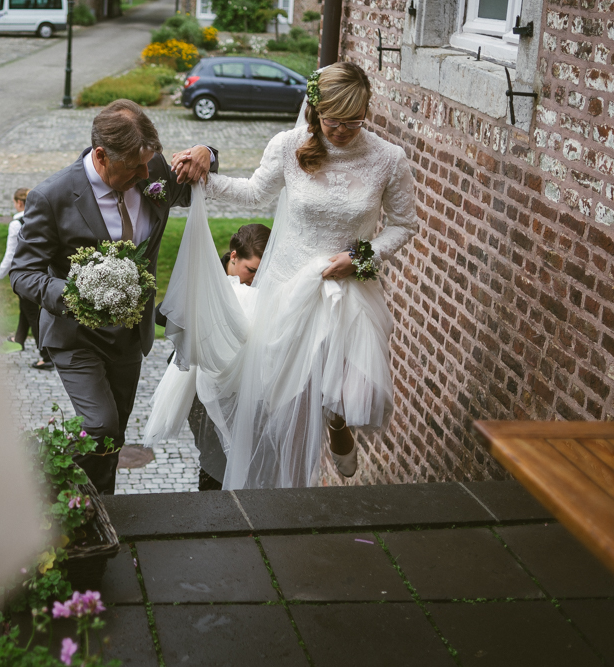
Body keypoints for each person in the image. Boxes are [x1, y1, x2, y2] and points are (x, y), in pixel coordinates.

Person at [148, 62, 418, 489]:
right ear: (316, 110)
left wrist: (362, 257)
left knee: (336, 390)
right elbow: (254, 192)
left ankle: (335, 424)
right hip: (286, 290)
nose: (343, 130)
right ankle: (288, 490)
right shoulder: (289, 145)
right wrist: (205, 168)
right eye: (333, 120)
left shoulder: (388, 159)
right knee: (287, 400)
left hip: (347, 289)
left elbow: (405, 225)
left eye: (353, 122)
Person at [10, 99, 218, 494]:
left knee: (113, 439)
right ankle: (31, 485)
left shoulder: (149, 169)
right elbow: (23, 273)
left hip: (129, 336)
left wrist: (207, 152)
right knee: (100, 427)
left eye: (148, 164)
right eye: (134, 167)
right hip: (76, 338)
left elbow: (198, 179)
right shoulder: (51, 197)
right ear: (101, 156)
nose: (145, 174)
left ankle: (99, 510)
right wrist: (75, 294)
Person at [189, 223, 272, 490]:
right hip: (203, 387)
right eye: (251, 271)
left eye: (262, 272)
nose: (255, 279)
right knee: (213, 459)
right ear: (233, 256)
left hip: (247, 390)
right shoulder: (206, 274)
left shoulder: (264, 289)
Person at [0, 188, 52, 369]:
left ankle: (46, 356)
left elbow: (10, 256)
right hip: (41, 272)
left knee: (32, 314)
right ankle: (19, 339)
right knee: (27, 308)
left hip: (23, 275)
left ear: (19, 203)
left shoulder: (16, 224)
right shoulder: (41, 218)